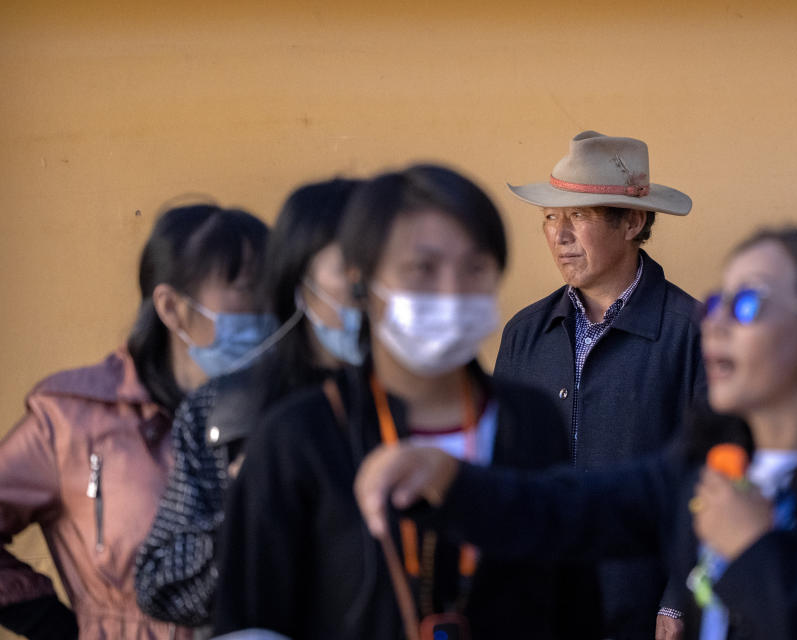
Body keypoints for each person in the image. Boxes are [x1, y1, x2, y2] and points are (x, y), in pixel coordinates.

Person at [355, 227, 797, 640]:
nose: (713, 322)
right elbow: (566, 507)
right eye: (718, 301)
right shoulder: (703, 470)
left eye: (747, 306)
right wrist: (450, 478)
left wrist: (754, 552)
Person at [213, 164, 599, 640]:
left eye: (475, 268)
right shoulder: (299, 437)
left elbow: (575, 609)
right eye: (423, 270)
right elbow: (250, 620)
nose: (452, 292)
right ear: (362, 280)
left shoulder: (532, 423)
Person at [0, 204, 271, 639]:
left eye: (276, 290)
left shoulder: (288, 408)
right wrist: (60, 628)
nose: (268, 310)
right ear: (172, 307)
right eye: (248, 290)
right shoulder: (73, 418)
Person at [496, 129, 705, 637]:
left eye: (579, 216)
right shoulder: (525, 333)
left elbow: (711, 477)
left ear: (633, 221)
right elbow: (499, 471)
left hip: (640, 614)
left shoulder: (693, 335)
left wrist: (677, 601)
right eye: (550, 216)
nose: (559, 234)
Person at [134, 179, 362, 633]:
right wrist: (248, 511)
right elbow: (160, 587)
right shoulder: (221, 411)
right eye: (349, 269)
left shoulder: (457, 401)